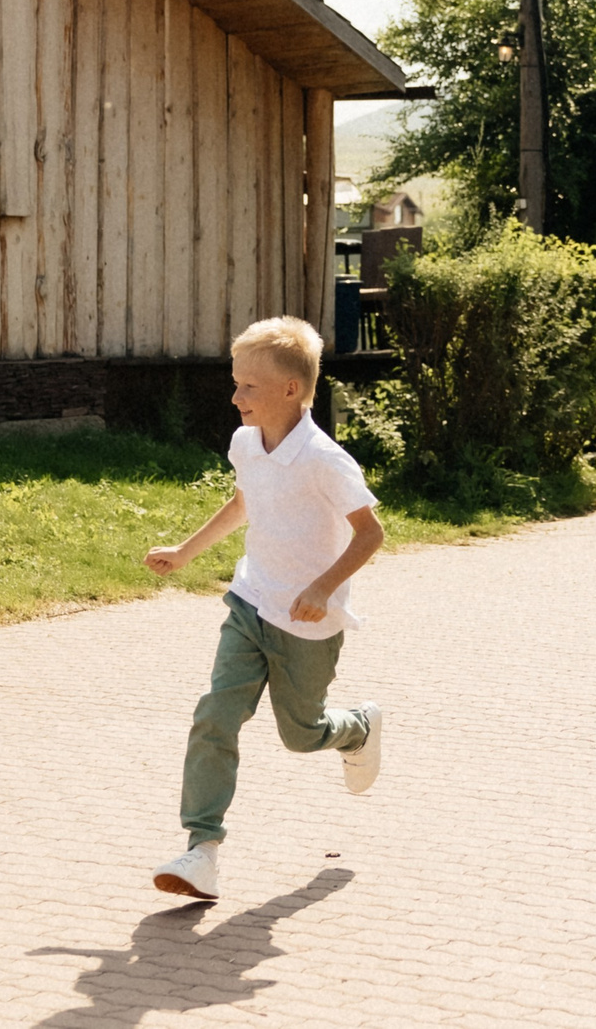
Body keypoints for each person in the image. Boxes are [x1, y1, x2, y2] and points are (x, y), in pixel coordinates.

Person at [142, 317, 385, 900]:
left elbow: (370, 534)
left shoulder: (325, 460)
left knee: (301, 734)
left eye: (249, 386)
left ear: (291, 389)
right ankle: (202, 850)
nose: (236, 396)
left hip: (307, 623)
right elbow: (243, 503)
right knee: (215, 715)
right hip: (250, 603)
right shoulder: (245, 443)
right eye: (236, 382)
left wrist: (322, 588)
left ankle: (357, 729)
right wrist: (186, 551)